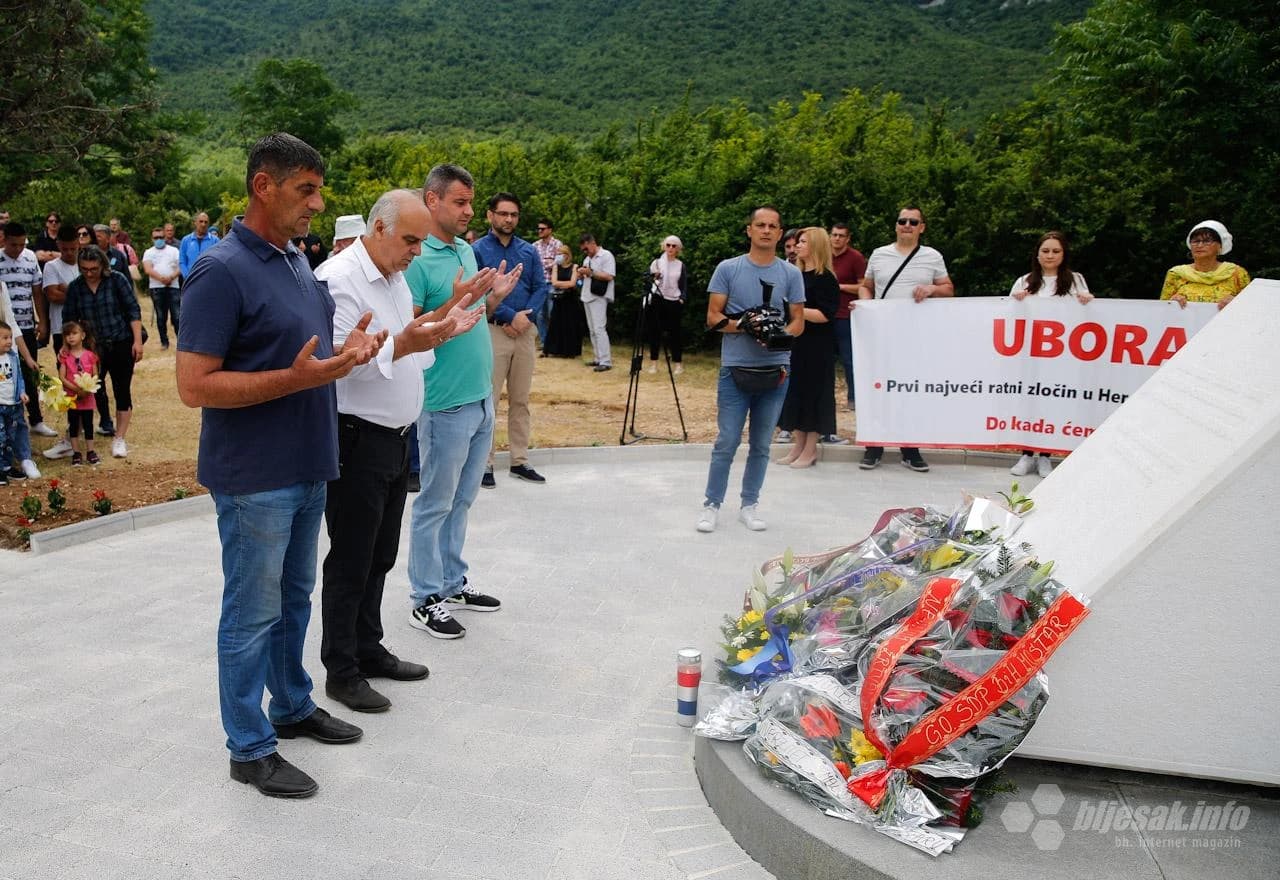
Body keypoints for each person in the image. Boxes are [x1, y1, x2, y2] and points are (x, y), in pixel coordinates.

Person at [176, 132, 383, 799]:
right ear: (262, 186)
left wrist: (348, 356)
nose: (318, 205)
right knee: (251, 611)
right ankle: (248, 747)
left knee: (294, 599)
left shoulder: (295, 260)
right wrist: (292, 380)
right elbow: (194, 385)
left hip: (308, 464)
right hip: (254, 476)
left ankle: (290, 706)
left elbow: (307, 360)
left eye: (320, 190)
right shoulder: (221, 269)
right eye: (306, 190)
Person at [316, 188, 484, 714]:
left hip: (394, 440)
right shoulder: (339, 280)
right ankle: (341, 671)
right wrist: (410, 343)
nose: (417, 250)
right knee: (351, 560)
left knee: (380, 556)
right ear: (380, 228)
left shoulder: (390, 276)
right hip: (356, 439)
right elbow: (341, 363)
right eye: (411, 239)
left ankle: (368, 648)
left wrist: (441, 322)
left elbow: (407, 338)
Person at [404, 163, 521, 640]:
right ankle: (424, 597)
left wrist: (491, 300)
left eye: (472, 202)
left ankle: (452, 583)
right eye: (461, 202)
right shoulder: (415, 260)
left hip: (479, 398)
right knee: (434, 502)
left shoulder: (466, 252)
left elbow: (469, 316)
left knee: (462, 499)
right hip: (444, 402)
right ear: (432, 201)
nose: (470, 211)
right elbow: (412, 332)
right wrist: (454, 304)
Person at [697, 205, 805, 534]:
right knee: (727, 440)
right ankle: (712, 504)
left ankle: (749, 504)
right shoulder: (728, 269)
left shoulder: (791, 273)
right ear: (749, 230)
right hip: (735, 368)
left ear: (779, 231)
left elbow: (798, 319)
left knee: (761, 444)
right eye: (760, 225)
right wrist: (745, 325)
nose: (767, 231)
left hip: (776, 370)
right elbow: (713, 318)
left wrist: (780, 336)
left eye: (773, 226)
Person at [856, 206, 955, 473]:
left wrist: (933, 288)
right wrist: (866, 304)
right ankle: (873, 445)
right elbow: (866, 285)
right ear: (896, 225)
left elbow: (948, 289)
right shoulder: (879, 254)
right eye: (902, 221)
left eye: (913, 221)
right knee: (878, 387)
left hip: (916, 335)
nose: (907, 225)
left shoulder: (932, 256)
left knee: (910, 389)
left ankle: (910, 448)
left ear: (922, 227)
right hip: (883, 332)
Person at [473, 192, 548, 488]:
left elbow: (541, 287)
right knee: (488, 399)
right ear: (490, 215)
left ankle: (519, 460)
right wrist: (507, 316)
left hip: (525, 332)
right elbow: (478, 290)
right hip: (494, 331)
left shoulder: (529, 252)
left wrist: (525, 318)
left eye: (513, 214)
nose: (508, 219)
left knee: (521, 399)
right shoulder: (477, 250)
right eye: (503, 213)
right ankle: (484, 463)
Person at [1008, 231, 1094, 479]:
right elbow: (1010, 315)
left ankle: (1045, 456)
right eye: (1045, 250)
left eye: (1056, 251)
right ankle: (1026, 454)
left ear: (1063, 254)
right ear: (1037, 254)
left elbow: (1087, 313)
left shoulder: (1075, 281)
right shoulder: (1024, 280)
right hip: (1030, 354)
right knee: (1029, 402)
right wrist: (1017, 301)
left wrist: (1087, 300)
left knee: (1052, 402)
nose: (1050, 255)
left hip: (1061, 356)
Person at [62, 245, 142, 459]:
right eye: (85, 269)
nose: (89, 273)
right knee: (85, 390)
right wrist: (66, 346)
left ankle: (119, 438)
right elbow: (68, 319)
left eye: (94, 269)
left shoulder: (117, 280)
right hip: (91, 347)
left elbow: (133, 309)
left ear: (103, 266)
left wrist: (137, 341)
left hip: (121, 342)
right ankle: (74, 438)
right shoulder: (76, 287)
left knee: (122, 389)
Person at [776, 228, 839, 469]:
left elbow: (826, 314)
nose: (796, 246)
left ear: (816, 245)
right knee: (797, 392)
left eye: (802, 242)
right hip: (797, 343)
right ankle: (798, 446)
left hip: (817, 346)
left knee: (814, 394)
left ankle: (810, 449)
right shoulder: (796, 275)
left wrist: (797, 310)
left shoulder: (826, 279)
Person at [0, 222, 54, 437]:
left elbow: (37, 292)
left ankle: (36, 420)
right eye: (14, 245)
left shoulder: (31, 258)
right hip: (3, 327)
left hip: (25, 325)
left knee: (30, 373)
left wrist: (42, 320)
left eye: (22, 244)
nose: (18, 249)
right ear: (4, 240)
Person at [1161, 220, 1250, 310]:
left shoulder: (1236, 273)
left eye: (1207, 241)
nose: (1200, 245)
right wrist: (1172, 303)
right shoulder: (1176, 274)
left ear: (1220, 246)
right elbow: (1161, 309)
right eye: (1195, 241)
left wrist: (1237, 303)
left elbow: (1252, 308)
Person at [829, 222, 867, 414]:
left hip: (846, 314)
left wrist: (841, 286)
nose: (837, 238)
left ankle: (853, 398)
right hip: (825, 314)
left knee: (849, 359)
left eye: (841, 235)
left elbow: (864, 286)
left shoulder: (856, 257)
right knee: (824, 359)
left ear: (848, 238)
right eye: (834, 235)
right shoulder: (823, 255)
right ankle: (826, 399)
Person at [0, 319, 40, 483]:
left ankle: (8, 467)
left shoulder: (13, 357)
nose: (9, 341)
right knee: (0, 437)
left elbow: (20, 379)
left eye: (10, 337)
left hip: (13, 405)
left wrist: (22, 392)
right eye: (4, 338)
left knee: (11, 436)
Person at [56, 320, 99, 467]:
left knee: (88, 424)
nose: (71, 337)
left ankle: (90, 451)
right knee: (73, 425)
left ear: (83, 335)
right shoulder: (65, 357)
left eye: (74, 333)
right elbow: (62, 376)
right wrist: (75, 389)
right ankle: (76, 453)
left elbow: (95, 375)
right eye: (67, 334)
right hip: (72, 397)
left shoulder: (90, 355)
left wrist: (87, 389)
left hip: (87, 397)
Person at [646, 235, 688, 375]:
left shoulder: (680, 265)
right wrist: (655, 277)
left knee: (674, 333)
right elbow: (649, 282)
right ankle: (653, 364)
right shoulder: (656, 263)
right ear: (664, 246)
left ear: (678, 249)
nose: (670, 248)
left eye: (674, 246)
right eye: (668, 245)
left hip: (674, 301)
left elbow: (683, 285)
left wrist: (682, 298)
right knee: (655, 331)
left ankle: (678, 365)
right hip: (658, 298)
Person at [577, 234, 615, 371]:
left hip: (599, 295)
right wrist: (582, 273)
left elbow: (609, 275)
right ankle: (598, 358)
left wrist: (591, 272)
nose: (585, 252)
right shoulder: (588, 259)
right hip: (587, 294)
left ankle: (606, 361)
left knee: (599, 328)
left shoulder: (606, 256)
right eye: (583, 250)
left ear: (592, 243)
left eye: (586, 248)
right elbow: (587, 275)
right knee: (592, 330)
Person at [142, 226, 181, 349]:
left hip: (173, 286)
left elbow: (181, 266)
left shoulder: (174, 250)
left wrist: (171, 277)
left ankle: (181, 342)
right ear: (152, 239)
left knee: (177, 316)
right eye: (156, 237)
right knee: (161, 316)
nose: (159, 239)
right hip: (157, 287)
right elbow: (147, 269)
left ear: (165, 237)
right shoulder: (148, 252)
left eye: (161, 237)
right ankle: (164, 342)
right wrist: (161, 278)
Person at [542, 244, 584, 358]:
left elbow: (573, 283)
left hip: (570, 299)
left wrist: (563, 284)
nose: (558, 256)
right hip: (559, 299)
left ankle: (569, 350)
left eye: (561, 254)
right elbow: (554, 282)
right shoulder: (556, 267)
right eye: (557, 254)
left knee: (570, 323)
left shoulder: (574, 267)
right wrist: (565, 284)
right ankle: (553, 349)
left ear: (567, 255)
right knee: (555, 322)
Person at [531, 218, 562, 345]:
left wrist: (548, 263)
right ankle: (544, 343)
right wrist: (549, 262)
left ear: (550, 230)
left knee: (552, 313)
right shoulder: (535, 245)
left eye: (542, 229)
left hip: (552, 283)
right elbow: (534, 264)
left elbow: (560, 261)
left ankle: (554, 342)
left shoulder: (557, 244)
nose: (540, 231)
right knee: (539, 315)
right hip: (538, 284)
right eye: (538, 229)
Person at [179, 212, 220, 279]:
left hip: (209, 279)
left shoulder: (215, 241)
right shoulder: (186, 240)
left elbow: (218, 261)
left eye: (206, 222)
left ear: (208, 224)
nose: (203, 224)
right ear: (195, 222)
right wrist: (186, 276)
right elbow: (182, 261)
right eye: (201, 221)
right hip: (190, 280)